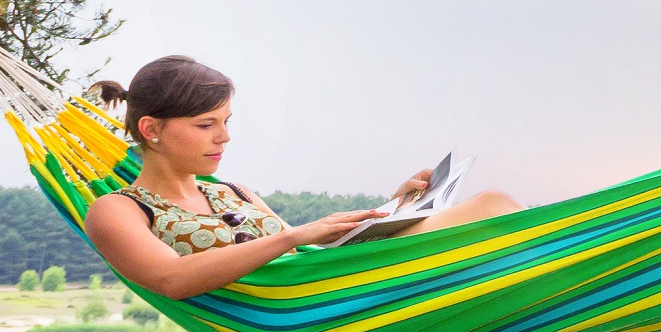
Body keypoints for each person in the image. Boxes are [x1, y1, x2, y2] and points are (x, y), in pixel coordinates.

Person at [78, 55, 519, 298]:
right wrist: (291, 237)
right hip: (307, 312)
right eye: (206, 125)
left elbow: (308, 246)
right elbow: (170, 280)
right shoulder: (116, 210)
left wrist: (395, 206)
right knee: (492, 209)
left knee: (492, 205)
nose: (225, 138)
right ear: (151, 129)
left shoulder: (233, 192)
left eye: (227, 121)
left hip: (334, 279)